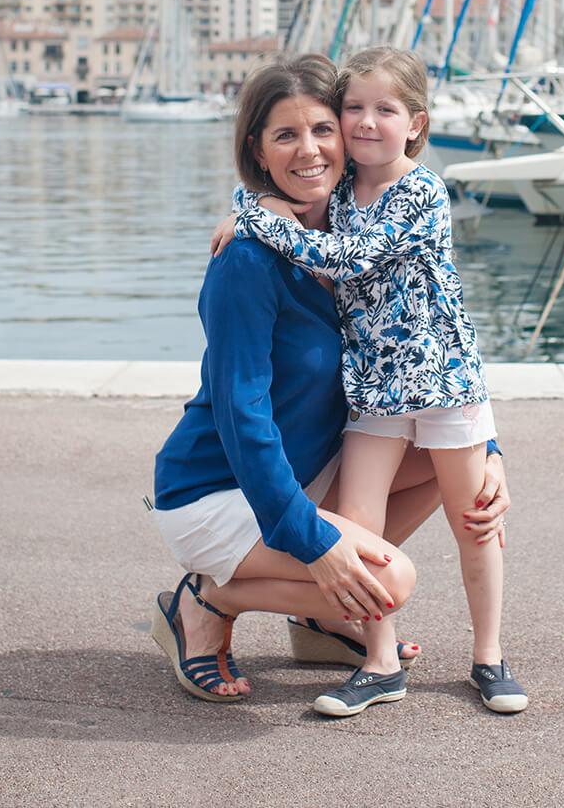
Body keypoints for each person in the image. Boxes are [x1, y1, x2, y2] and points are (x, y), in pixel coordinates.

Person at [150, 52, 508, 714]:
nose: (310, 148)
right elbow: (243, 416)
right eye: (285, 134)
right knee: (390, 581)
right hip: (219, 487)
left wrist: (487, 448)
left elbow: (438, 320)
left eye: (322, 128)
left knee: (438, 463)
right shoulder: (247, 260)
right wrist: (314, 542)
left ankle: (320, 616)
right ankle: (205, 595)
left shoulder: (346, 225)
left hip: (298, 471)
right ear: (256, 149)